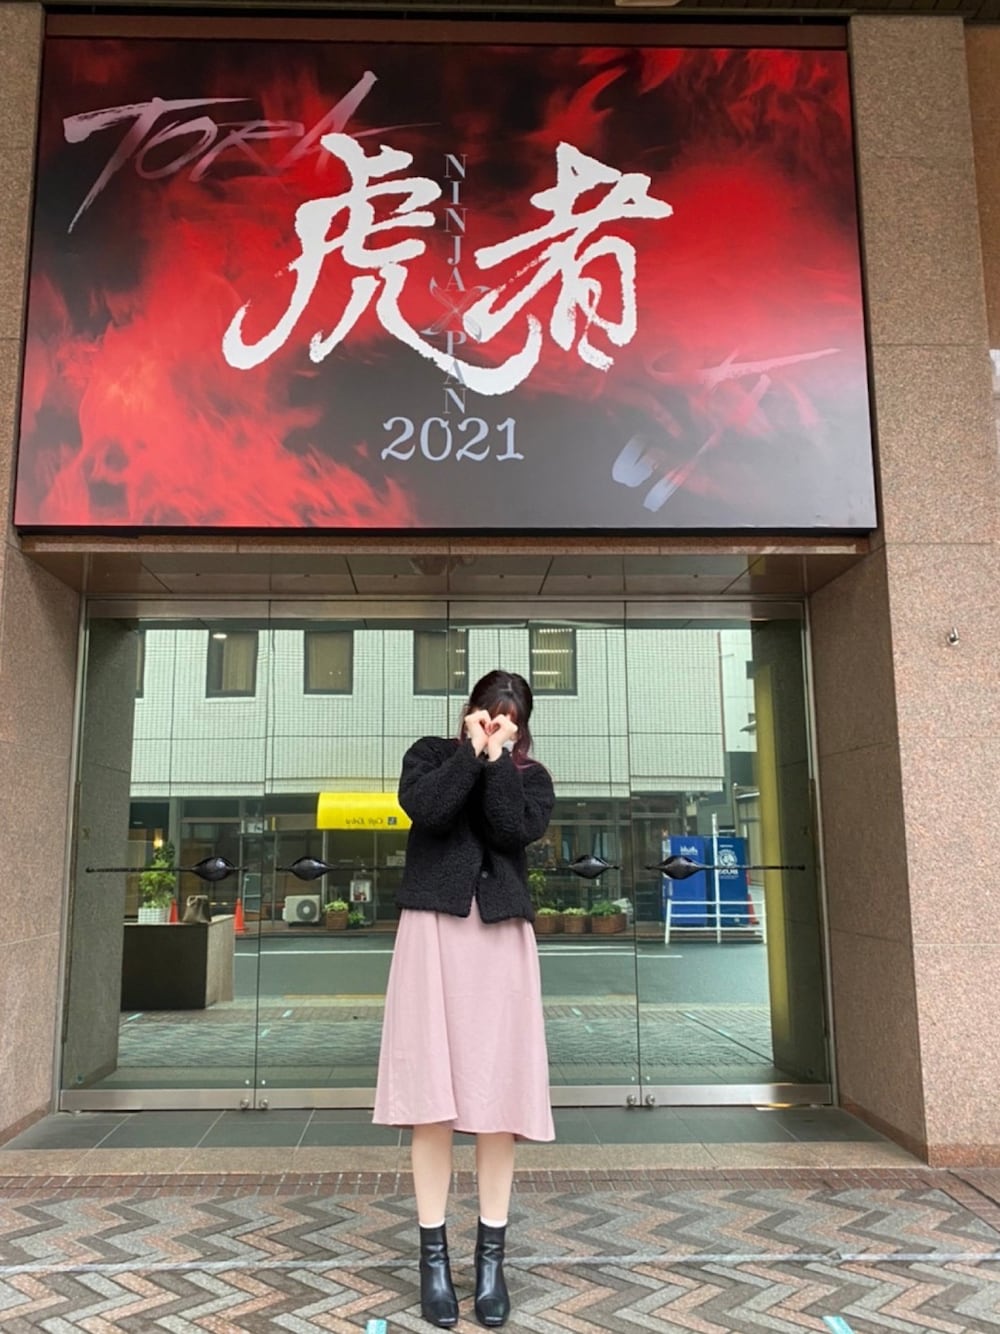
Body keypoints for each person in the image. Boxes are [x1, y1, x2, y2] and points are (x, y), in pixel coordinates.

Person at [373, 670, 556, 1329]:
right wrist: (470, 755)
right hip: (433, 933)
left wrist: (498, 761)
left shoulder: (532, 778)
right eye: (487, 712)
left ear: (521, 727)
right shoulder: (429, 756)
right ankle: (432, 1263)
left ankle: (489, 1265)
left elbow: (510, 830)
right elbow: (430, 811)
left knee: (498, 1102)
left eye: (509, 719)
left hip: (500, 939)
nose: (496, 723)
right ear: (468, 710)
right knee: (432, 1100)